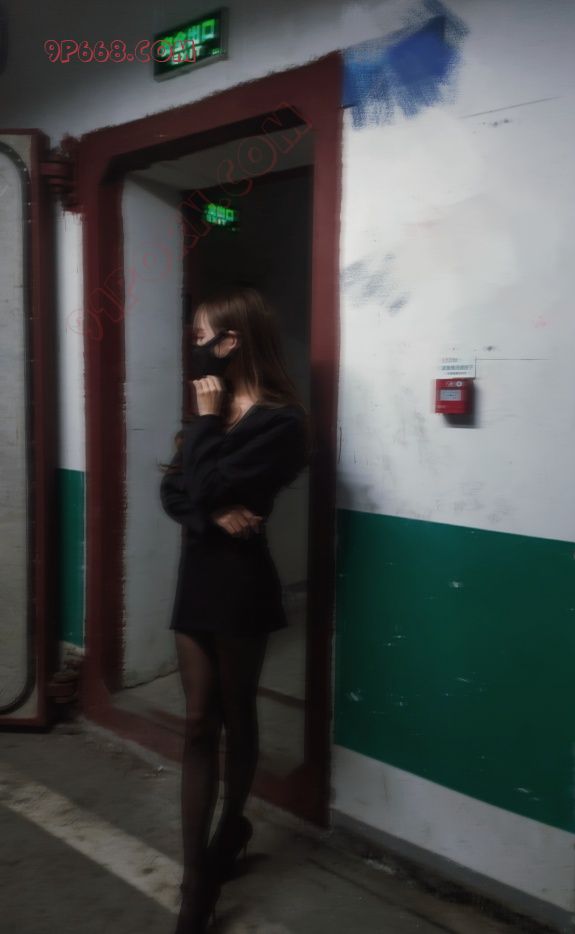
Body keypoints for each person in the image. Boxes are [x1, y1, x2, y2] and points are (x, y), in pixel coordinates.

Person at [158, 285, 311, 933]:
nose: (194, 347)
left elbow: (212, 481)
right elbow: (174, 491)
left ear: (231, 341)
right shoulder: (208, 411)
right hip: (198, 578)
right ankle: (197, 878)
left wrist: (204, 431)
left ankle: (231, 828)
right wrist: (215, 512)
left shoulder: (282, 423)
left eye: (202, 337)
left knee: (237, 714)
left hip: (242, 583)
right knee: (199, 722)